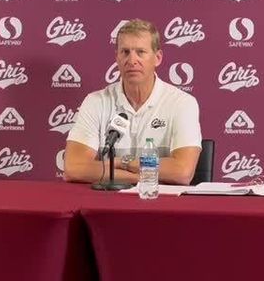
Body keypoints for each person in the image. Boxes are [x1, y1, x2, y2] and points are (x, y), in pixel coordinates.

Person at [64, 20, 202, 185]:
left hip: (160, 204)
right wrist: (139, 178)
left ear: (157, 58)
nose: (132, 60)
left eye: (141, 52)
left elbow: (182, 171)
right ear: (117, 57)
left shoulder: (182, 103)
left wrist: (123, 163)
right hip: (108, 204)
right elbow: (74, 168)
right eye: (125, 52)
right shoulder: (96, 102)